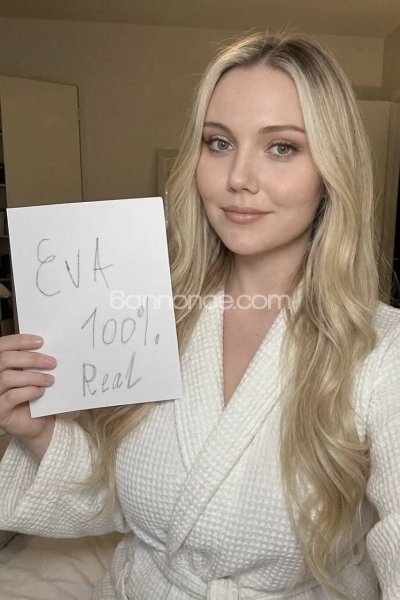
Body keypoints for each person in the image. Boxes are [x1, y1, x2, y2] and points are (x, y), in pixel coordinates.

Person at [0, 31, 399, 600]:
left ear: (332, 169)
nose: (239, 178)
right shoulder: (144, 312)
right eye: (219, 142)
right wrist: (38, 432)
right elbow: (127, 504)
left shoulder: (384, 353)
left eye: (281, 147)